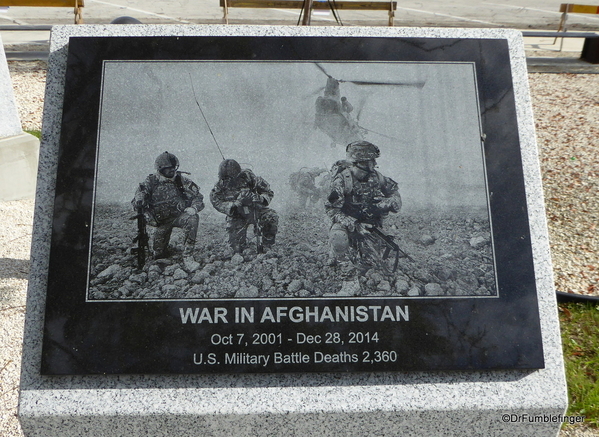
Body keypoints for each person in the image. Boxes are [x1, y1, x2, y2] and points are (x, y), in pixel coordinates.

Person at [325, 141, 402, 287]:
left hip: (370, 225)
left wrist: (390, 201)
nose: (374, 164)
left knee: (372, 264)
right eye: (370, 161)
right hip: (347, 224)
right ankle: (345, 272)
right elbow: (332, 209)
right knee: (338, 236)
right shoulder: (342, 181)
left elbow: (394, 192)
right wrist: (354, 224)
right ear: (360, 162)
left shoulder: (377, 177)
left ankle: (358, 248)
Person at [132, 151, 204, 259]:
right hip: (161, 222)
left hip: (178, 217)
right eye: (168, 168)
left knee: (192, 218)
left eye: (174, 167)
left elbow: (198, 197)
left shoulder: (182, 180)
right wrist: (140, 200)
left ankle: (188, 256)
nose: (172, 170)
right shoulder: (151, 181)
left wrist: (194, 208)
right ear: (161, 169)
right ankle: (161, 249)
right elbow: (138, 198)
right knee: (159, 255)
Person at [210, 159, 279, 253]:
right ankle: (240, 244)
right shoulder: (220, 185)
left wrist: (260, 198)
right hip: (237, 215)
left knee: (270, 216)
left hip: (255, 210)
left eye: (231, 177)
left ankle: (267, 244)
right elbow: (216, 201)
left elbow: (268, 192)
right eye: (226, 178)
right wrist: (233, 204)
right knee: (236, 249)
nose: (229, 180)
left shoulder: (251, 178)